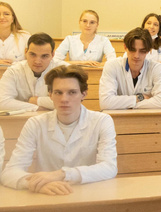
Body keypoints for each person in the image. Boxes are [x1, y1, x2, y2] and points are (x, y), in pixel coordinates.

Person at [0, 65, 118, 195]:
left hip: (90, 194)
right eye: (58, 92)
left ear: (83, 94)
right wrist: (36, 184)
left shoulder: (102, 121)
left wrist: (63, 174)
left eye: (72, 92)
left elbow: (109, 168)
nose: (64, 99)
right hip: (48, 195)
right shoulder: (35, 124)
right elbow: (10, 172)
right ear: (50, 95)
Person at [98, 28, 161, 110]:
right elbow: (105, 103)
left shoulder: (157, 68)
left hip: (146, 118)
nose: (136, 56)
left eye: (142, 51)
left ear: (148, 50)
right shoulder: (112, 66)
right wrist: (140, 98)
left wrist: (128, 106)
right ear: (125, 47)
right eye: (133, 50)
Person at [0, 33, 67, 111]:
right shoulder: (14, 71)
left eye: (44, 56)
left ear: (52, 55)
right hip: (23, 118)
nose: (37, 61)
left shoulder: (64, 71)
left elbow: (70, 101)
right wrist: (37, 108)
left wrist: (36, 101)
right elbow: (2, 102)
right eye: (33, 54)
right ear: (26, 52)